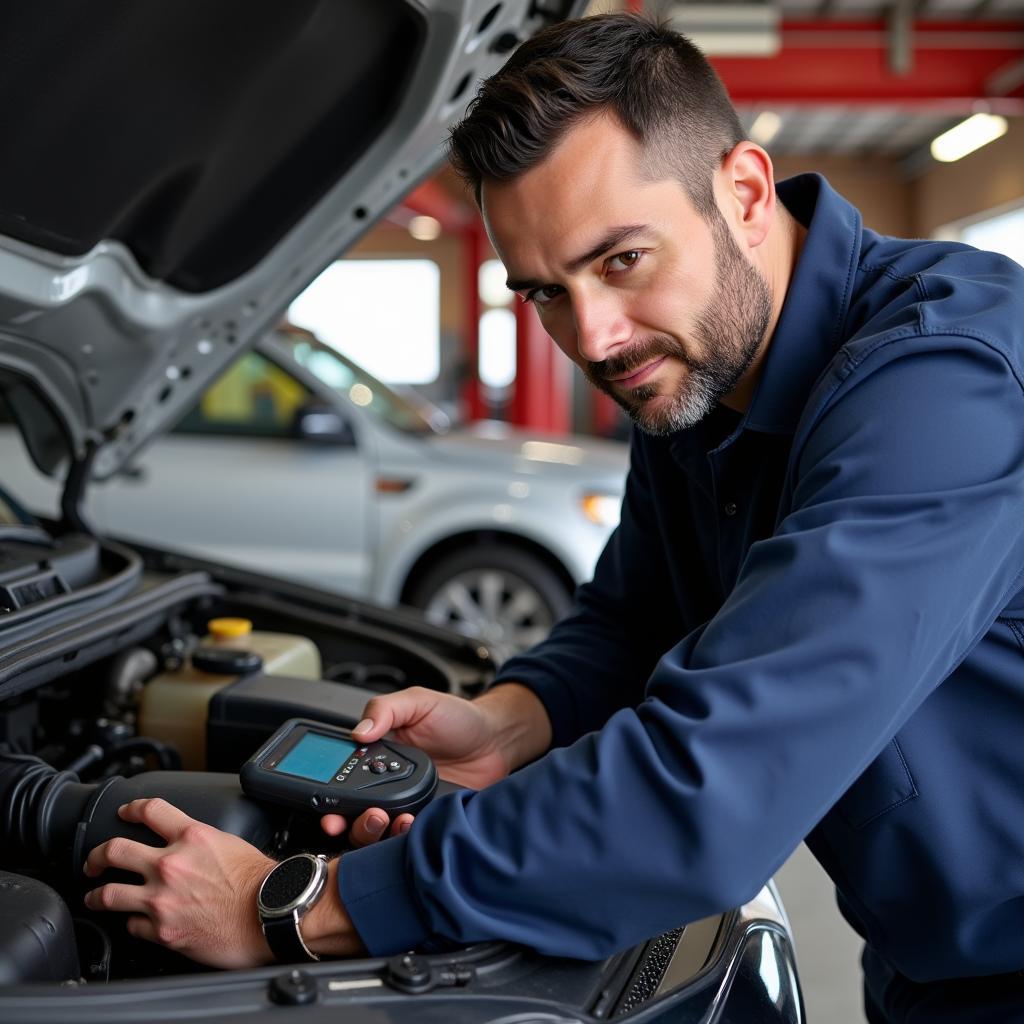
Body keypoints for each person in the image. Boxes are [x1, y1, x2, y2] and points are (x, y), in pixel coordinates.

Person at [82, 13, 1024, 1022]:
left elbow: (710, 792)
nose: (594, 337)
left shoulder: (947, 388)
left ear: (743, 193)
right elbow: (633, 615)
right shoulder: (695, 368)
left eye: (619, 260)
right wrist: (507, 721)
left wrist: (300, 906)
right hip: (929, 959)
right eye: (545, 293)